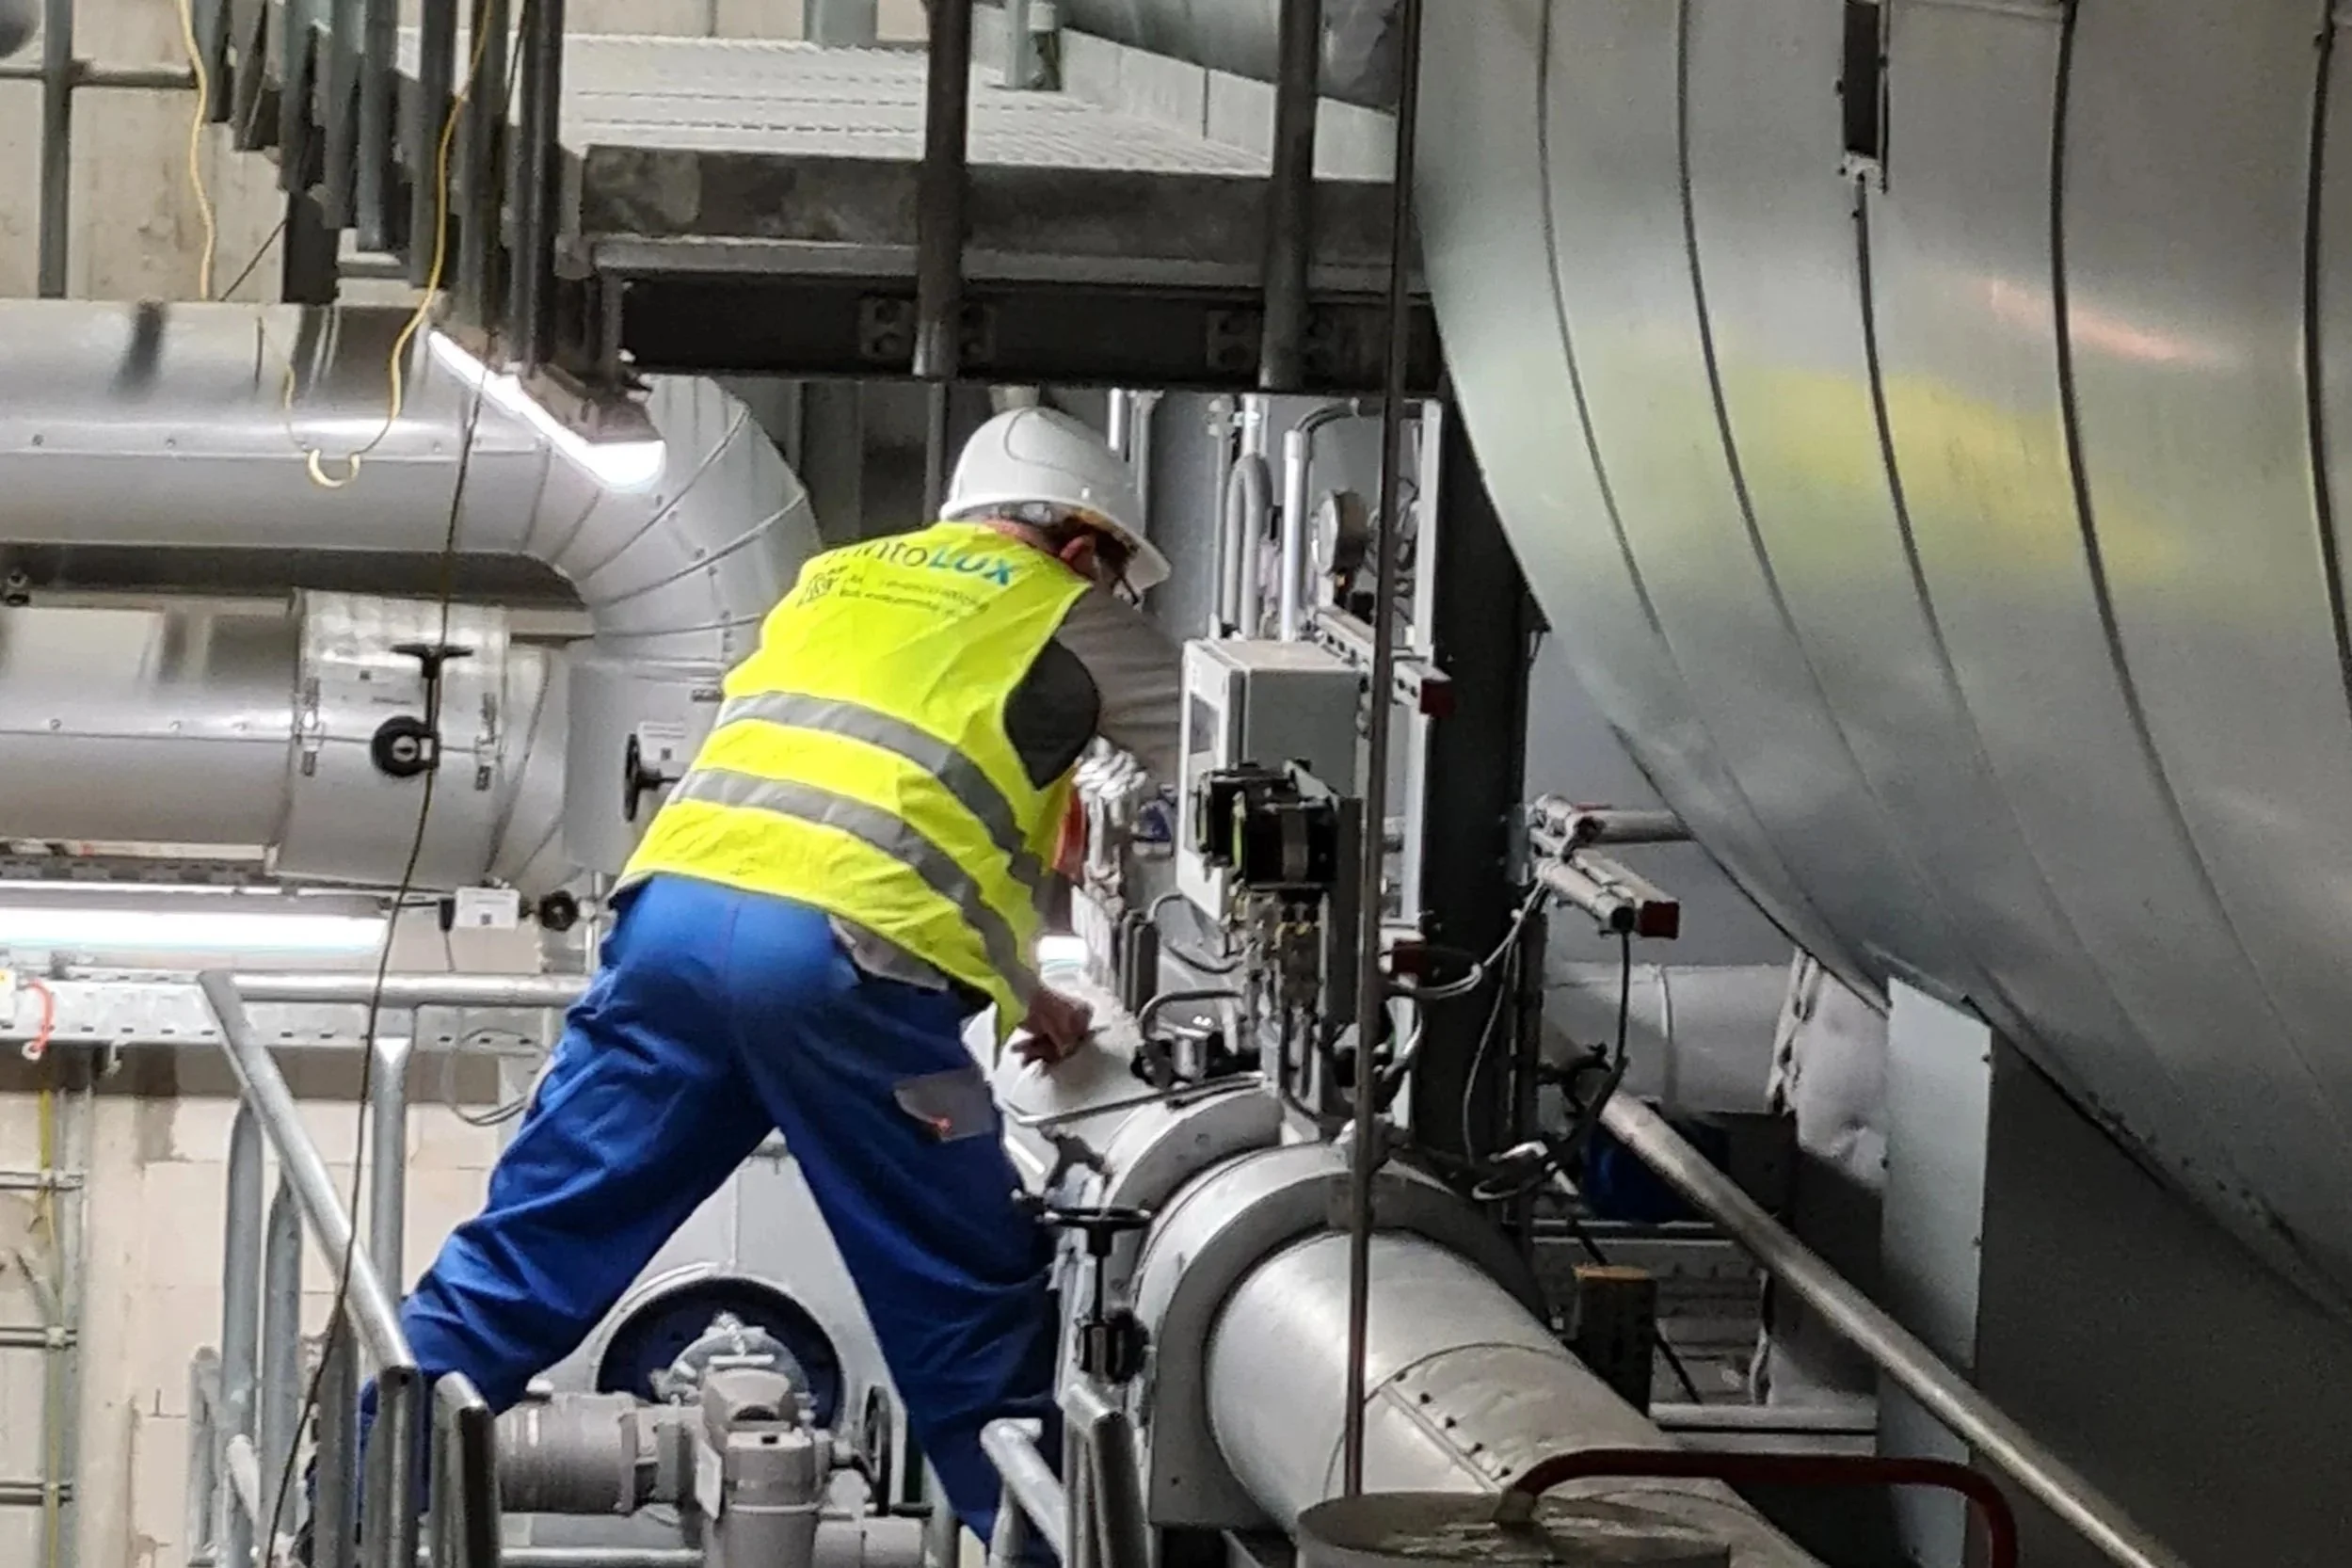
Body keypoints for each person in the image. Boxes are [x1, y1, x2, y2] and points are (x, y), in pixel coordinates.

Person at [396, 407, 1182, 1542]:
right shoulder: (1063, 611)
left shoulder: (832, 582)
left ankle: (351, 1488)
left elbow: (876, 798)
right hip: (841, 978)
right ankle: (1050, 1549)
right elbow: (1238, 741)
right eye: (1111, 570)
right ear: (1079, 547)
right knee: (971, 1302)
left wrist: (1029, 992)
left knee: (531, 1244)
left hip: (671, 931)